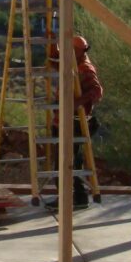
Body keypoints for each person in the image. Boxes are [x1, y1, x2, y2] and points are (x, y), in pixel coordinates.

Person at [47, 35, 103, 211]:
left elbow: (97, 91)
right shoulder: (74, 63)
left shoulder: (85, 69)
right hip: (65, 120)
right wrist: (51, 41)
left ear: (78, 51)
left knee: (65, 161)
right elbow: (55, 60)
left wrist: (78, 103)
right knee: (70, 161)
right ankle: (77, 198)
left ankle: (68, 198)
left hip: (75, 122)